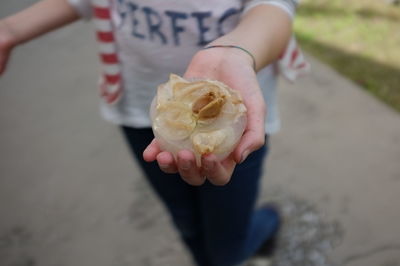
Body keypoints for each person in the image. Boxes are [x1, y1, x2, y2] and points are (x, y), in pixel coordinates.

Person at [0, 0, 302, 265]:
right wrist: (10, 30)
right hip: (137, 108)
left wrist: (234, 51)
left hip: (238, 125)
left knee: (226, 247)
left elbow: (275, 5)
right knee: (186, 221)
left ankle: (267, 223)